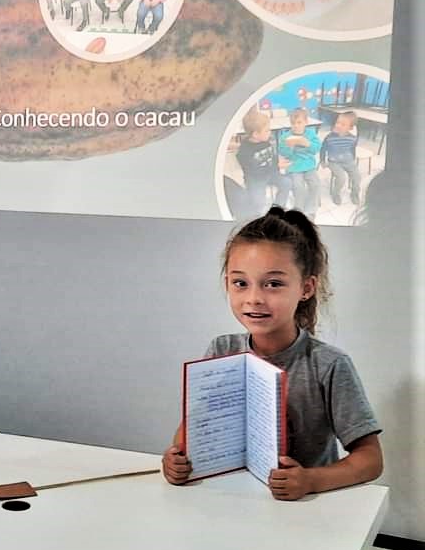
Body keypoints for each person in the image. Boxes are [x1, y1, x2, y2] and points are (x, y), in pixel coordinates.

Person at [162, 207, 383, 501]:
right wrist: (177, 458)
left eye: (274, 284)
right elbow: (195, 427)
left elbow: (370, 459)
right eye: (240, 283)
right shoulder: (222, 350)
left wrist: (310, 480)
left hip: (306, 512)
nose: (254, 298)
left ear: (306, 288)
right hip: (234, 500)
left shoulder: (328, 365)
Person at [236, 108, 290, 217]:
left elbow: (272, 155)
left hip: (271, 173)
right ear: (255, 134)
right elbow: (254, 172)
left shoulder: (266, 141)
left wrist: (278, 162)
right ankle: (258, 217)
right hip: (255, 179)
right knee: (258, 201)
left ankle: (278, 208)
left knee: (287, 182)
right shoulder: (244, 153)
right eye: (267, 130)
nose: (269, 132)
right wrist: (276, 165)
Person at [279, 108, 321, 219]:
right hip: (294, 165)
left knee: (315, 184)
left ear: (306, 122)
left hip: (309, 165)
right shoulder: (285, 136)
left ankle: (311, 210)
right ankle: (299, 210)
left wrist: (307, 144)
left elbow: (316, 149)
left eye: (299, 123)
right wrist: (290, 147)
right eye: (293, 123)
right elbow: (283, 153)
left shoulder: (311, 134)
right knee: (298, 186)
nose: (296, 126)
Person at [320, 111, 361, 206]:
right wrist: (322, 160)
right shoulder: (329, 137)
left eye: (343, 124)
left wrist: (353, 160)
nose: (338, 125)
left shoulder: (353, 138)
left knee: (357, 177)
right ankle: (336, 194)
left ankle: (354, 194)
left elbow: (352, 149)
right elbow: (323, 149)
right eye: (337, 122)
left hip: (348, 161)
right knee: (341, 177)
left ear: (350, 128)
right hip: (334, 162)